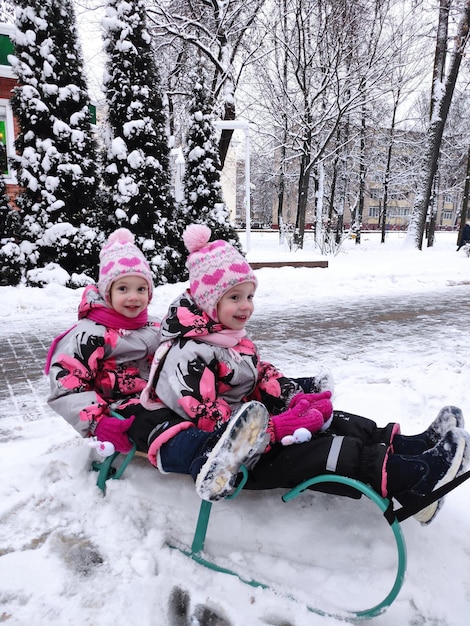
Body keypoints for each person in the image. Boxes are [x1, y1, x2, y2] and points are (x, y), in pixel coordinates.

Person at [139, 223, 470, 524]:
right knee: (317, 452)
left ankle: (409, 449)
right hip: (234, 454)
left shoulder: (226, 336)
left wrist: (291, 395)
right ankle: (409, 477)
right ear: (209, 302)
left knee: (336, 421)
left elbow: (257, 373)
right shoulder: (187, 354)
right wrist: (279, 423)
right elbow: (207, 420)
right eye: (235, 297)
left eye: (250, 295)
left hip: (257, 424)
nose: (246, 306)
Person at [46, 228, 278, 499]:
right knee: (158, 424)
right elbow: (67, 385)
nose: (134, 297)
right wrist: (98, 422)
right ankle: (204, 459)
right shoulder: (89, 334)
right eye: (123, 289)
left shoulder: (153, 326)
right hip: (119, 407)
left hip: (162, 394)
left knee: (196, 412)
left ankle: (229, 444)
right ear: (106, 291)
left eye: (141, 288)